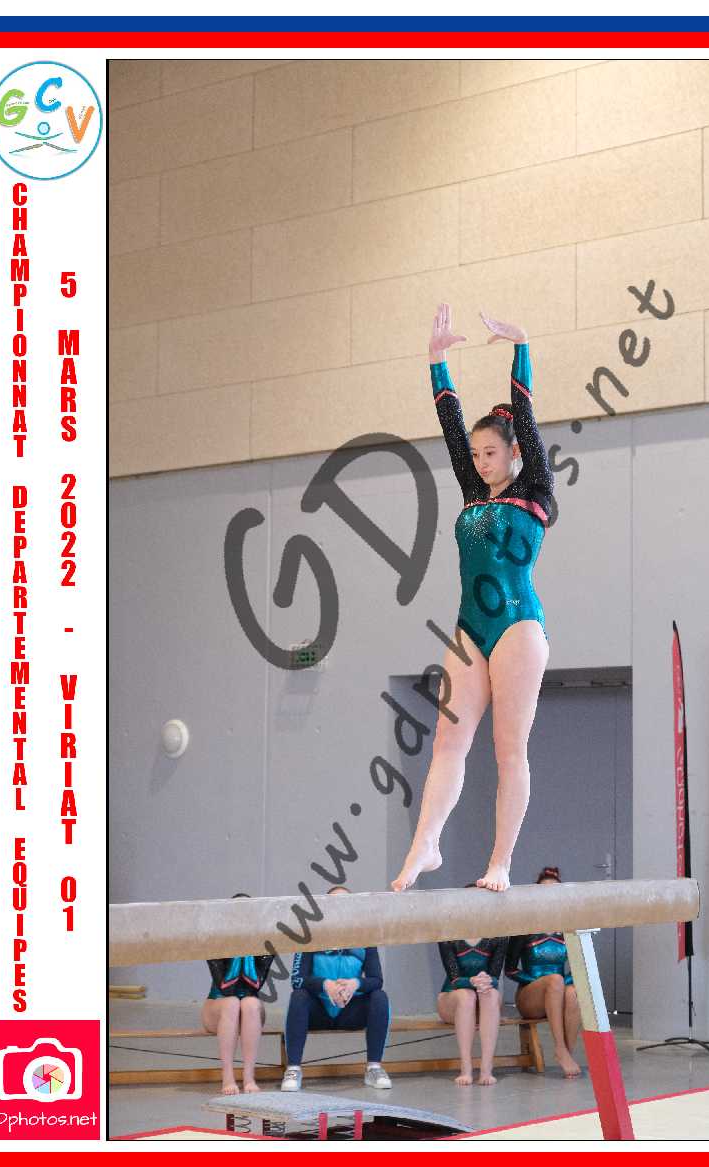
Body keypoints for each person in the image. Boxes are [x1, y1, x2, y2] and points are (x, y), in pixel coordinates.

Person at [392, 302, 554, 893]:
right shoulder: (472, 489)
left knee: (508, 748)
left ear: (514, 454)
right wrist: (436, 361)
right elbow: (449, 424)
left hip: (517, 626)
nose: (482, 462)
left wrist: (521, 346)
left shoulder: (535, 487)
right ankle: (425, 845)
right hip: (469, 626)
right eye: (477, 454)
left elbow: (526, 416)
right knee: (447, 742)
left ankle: (500, 861)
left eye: (492, 453)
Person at [281, 886, 392, 1091]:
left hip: (350, 1010)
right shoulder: (309, 936)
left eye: (346, 903)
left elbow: (377, 980)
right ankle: (293, 1069)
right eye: (335, 903)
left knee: (379, 997)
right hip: (318, 1011)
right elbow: (297, 979)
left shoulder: (365, 938)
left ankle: (374, 1068)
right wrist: (326, 985)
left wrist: (355, 984)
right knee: (298, 996)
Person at [505, 866, 582, 1078]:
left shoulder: (568, 928)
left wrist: (561, 983)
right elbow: (510, 969)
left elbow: (578, 969)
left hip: (558, 993)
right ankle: (559, 1048)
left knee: (574, 992)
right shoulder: (525, 927)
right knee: (555, 980)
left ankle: (567, 1053)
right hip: (531, 996)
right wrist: (541, 981)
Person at [200, 892, 275, 1096]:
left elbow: (255, 985)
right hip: (218, 1005)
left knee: (250, 1003)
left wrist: (248, 949)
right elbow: (225, 987)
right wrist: (238, 949)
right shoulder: (216, 942)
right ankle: (228, 1076)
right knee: (232, 1002)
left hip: (250, 1012)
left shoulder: (265, 943)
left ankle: (249, 1077)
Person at [436, 887, 508, 1085]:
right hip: (453, 999)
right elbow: (454, 979)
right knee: (466, 995)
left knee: (490, 994)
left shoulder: (498, 935)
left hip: (485, 1002)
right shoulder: (448, 935)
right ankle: (466, 1067)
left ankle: (486, 1068)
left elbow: (495, 976)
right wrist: (472, 981)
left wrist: (487, 980)